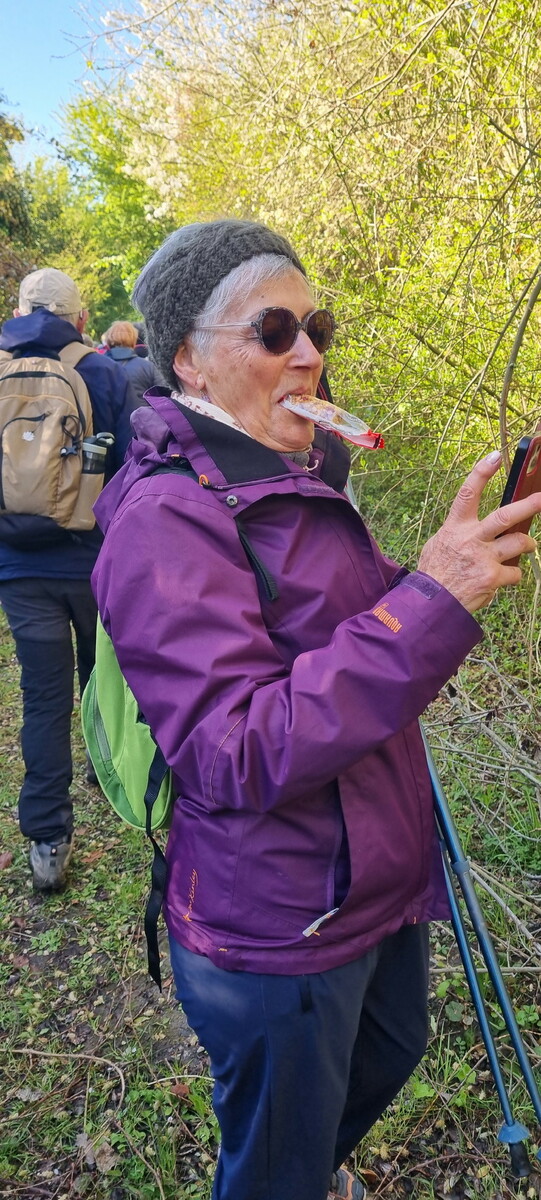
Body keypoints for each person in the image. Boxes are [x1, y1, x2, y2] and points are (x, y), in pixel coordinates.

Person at [90, 220, 541, 1200]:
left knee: (394, 1045)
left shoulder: (291, 478)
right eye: (274, 330)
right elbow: (233, 748)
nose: (309, 353)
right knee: (275, 1161)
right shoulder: (167, 519)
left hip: (373, 875)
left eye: (316, 327)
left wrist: (444, 578)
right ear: (188, 360)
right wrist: (431, 602)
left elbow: (359, 629)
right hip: (277, 918)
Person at [0, 267, 136, 892]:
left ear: (18, 312)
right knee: (101, 673)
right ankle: (104, 770)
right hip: (92, 559)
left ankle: (48, 840)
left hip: (19, 568)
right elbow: (132, 467)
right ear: (80, 319)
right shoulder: (101, 372)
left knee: (43, 696)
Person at [102, 319, 164, 406]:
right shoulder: (147, 366)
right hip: (143, 413)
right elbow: (164, 395)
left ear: (109, 339)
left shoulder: (100, 367)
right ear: (133, 339)